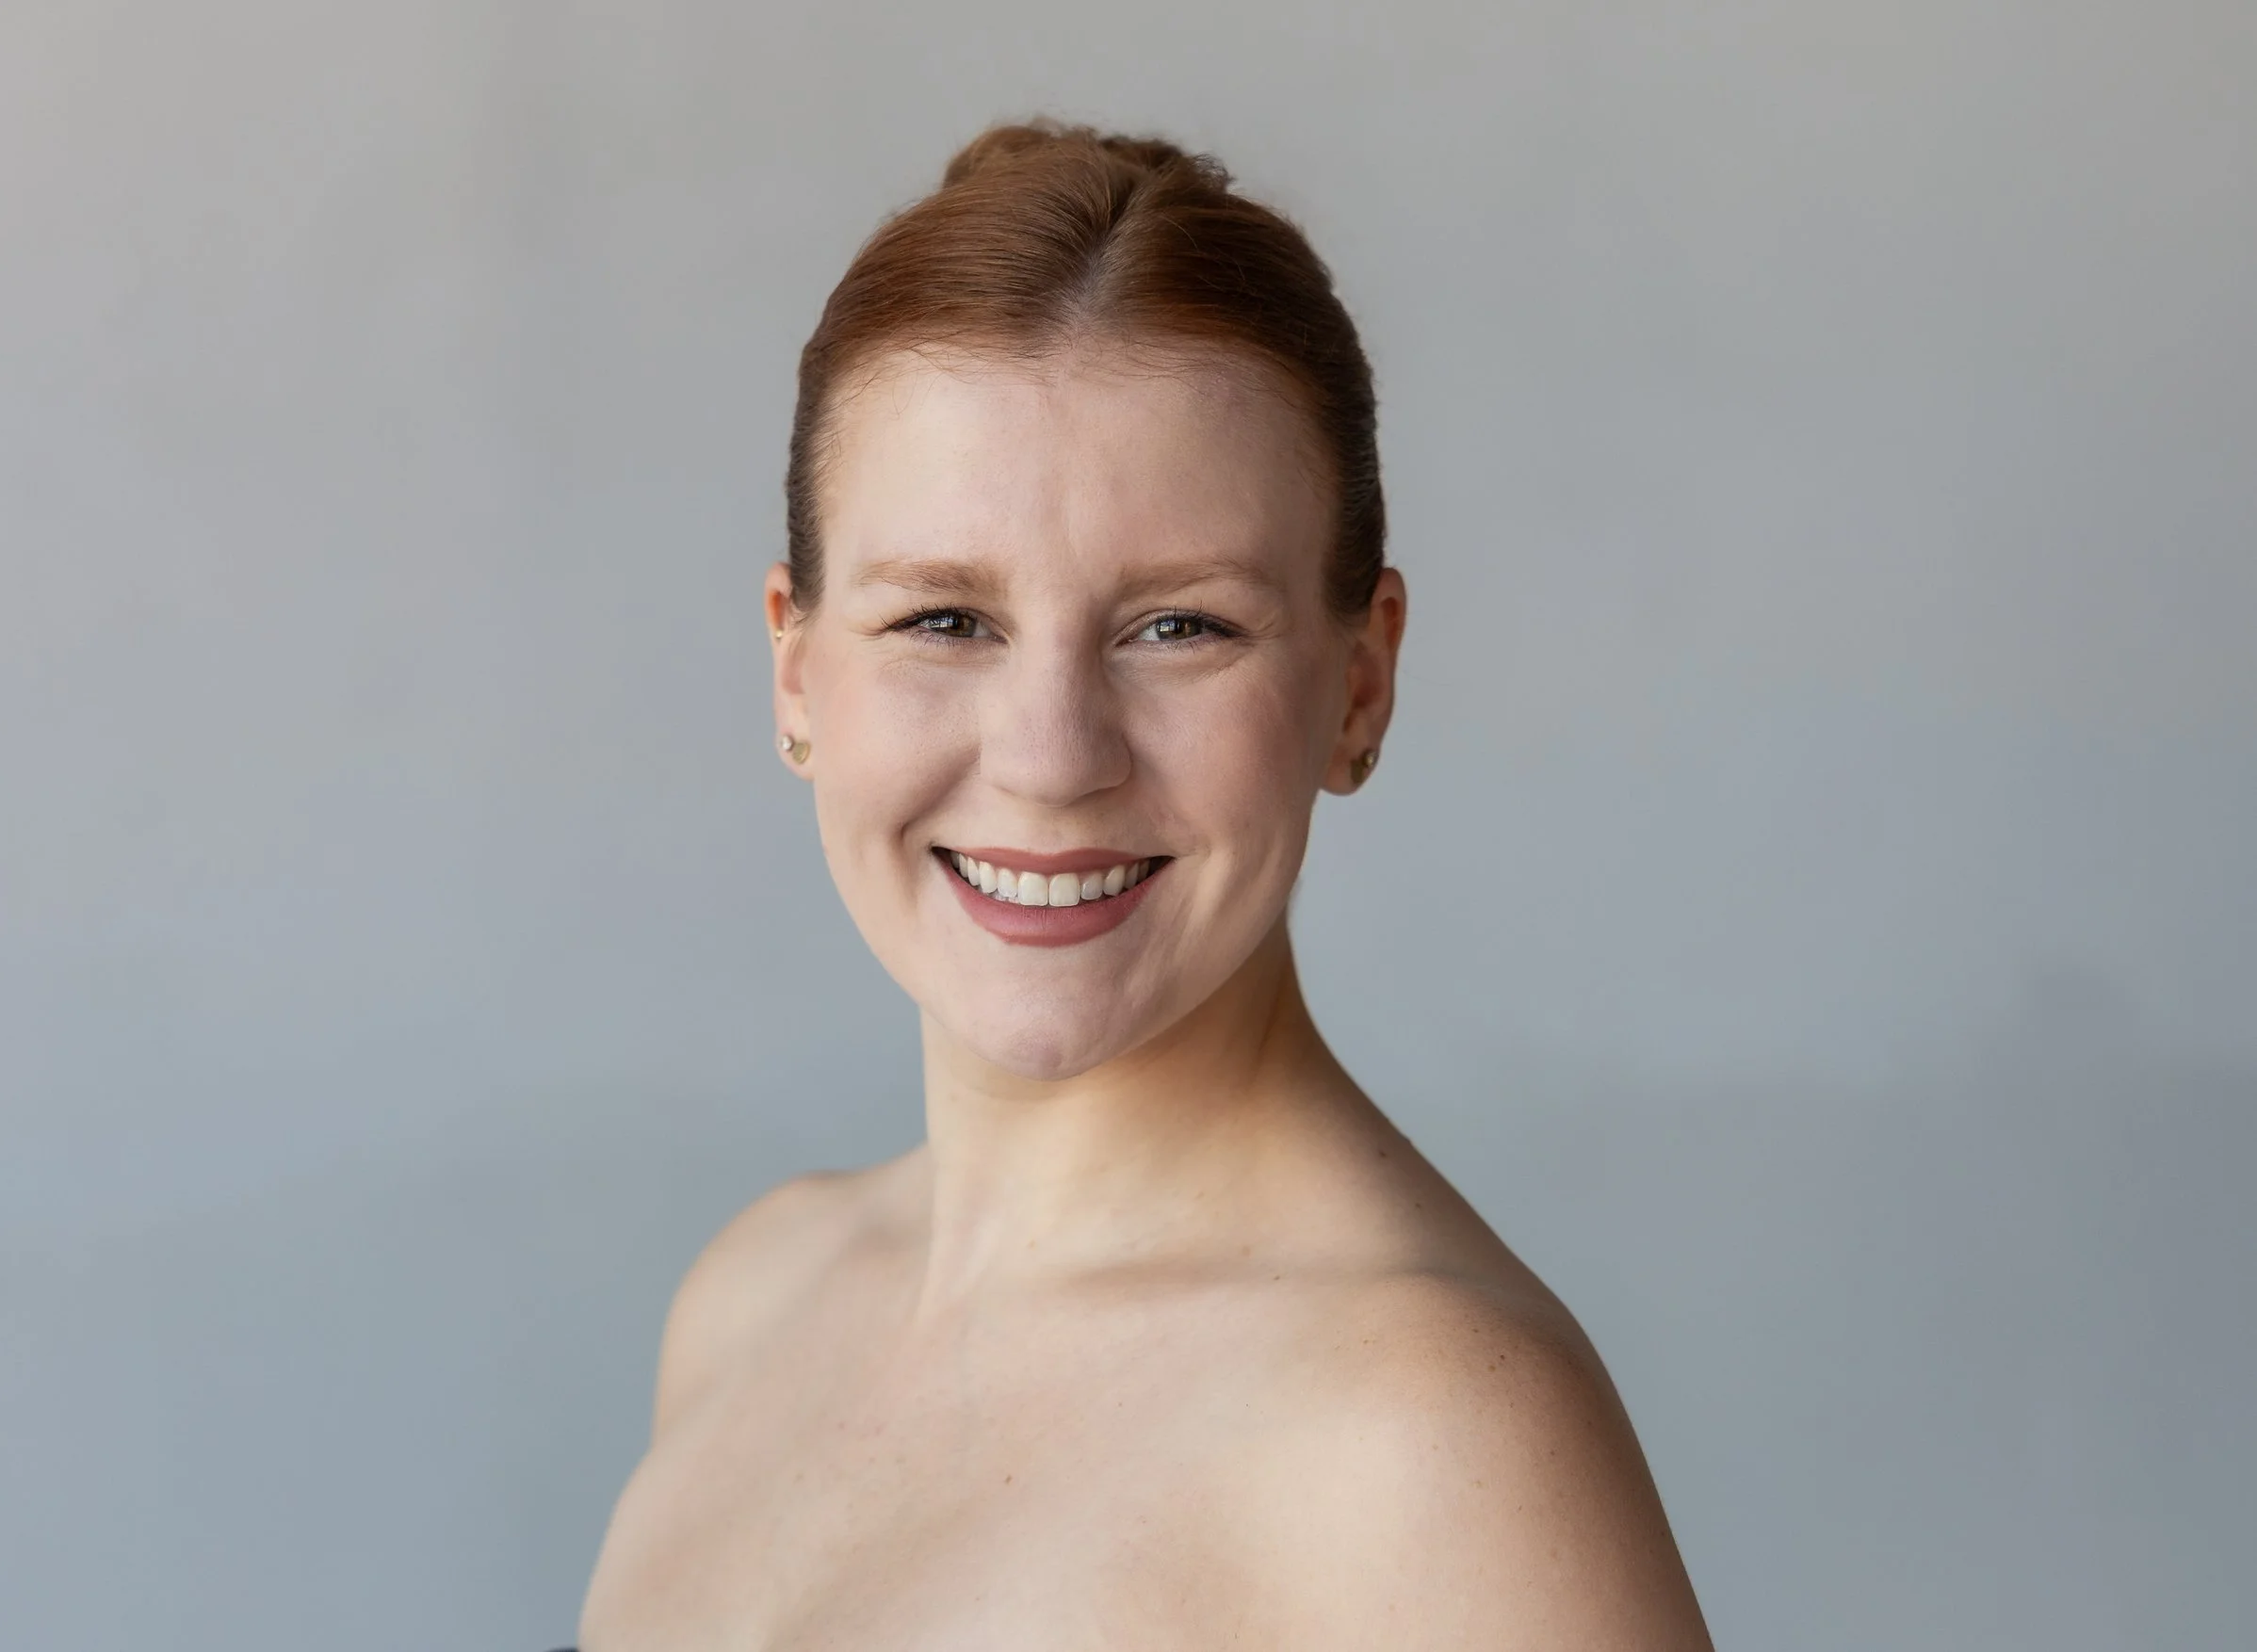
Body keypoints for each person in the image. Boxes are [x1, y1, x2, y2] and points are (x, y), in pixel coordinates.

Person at [573, 120, 1713, 1650]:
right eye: (943, 621)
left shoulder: (1432, 1442)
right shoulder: (751, 1299)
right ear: (794, 667)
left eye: (1179, 627)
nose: (1052, 757)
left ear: (1360, 682)